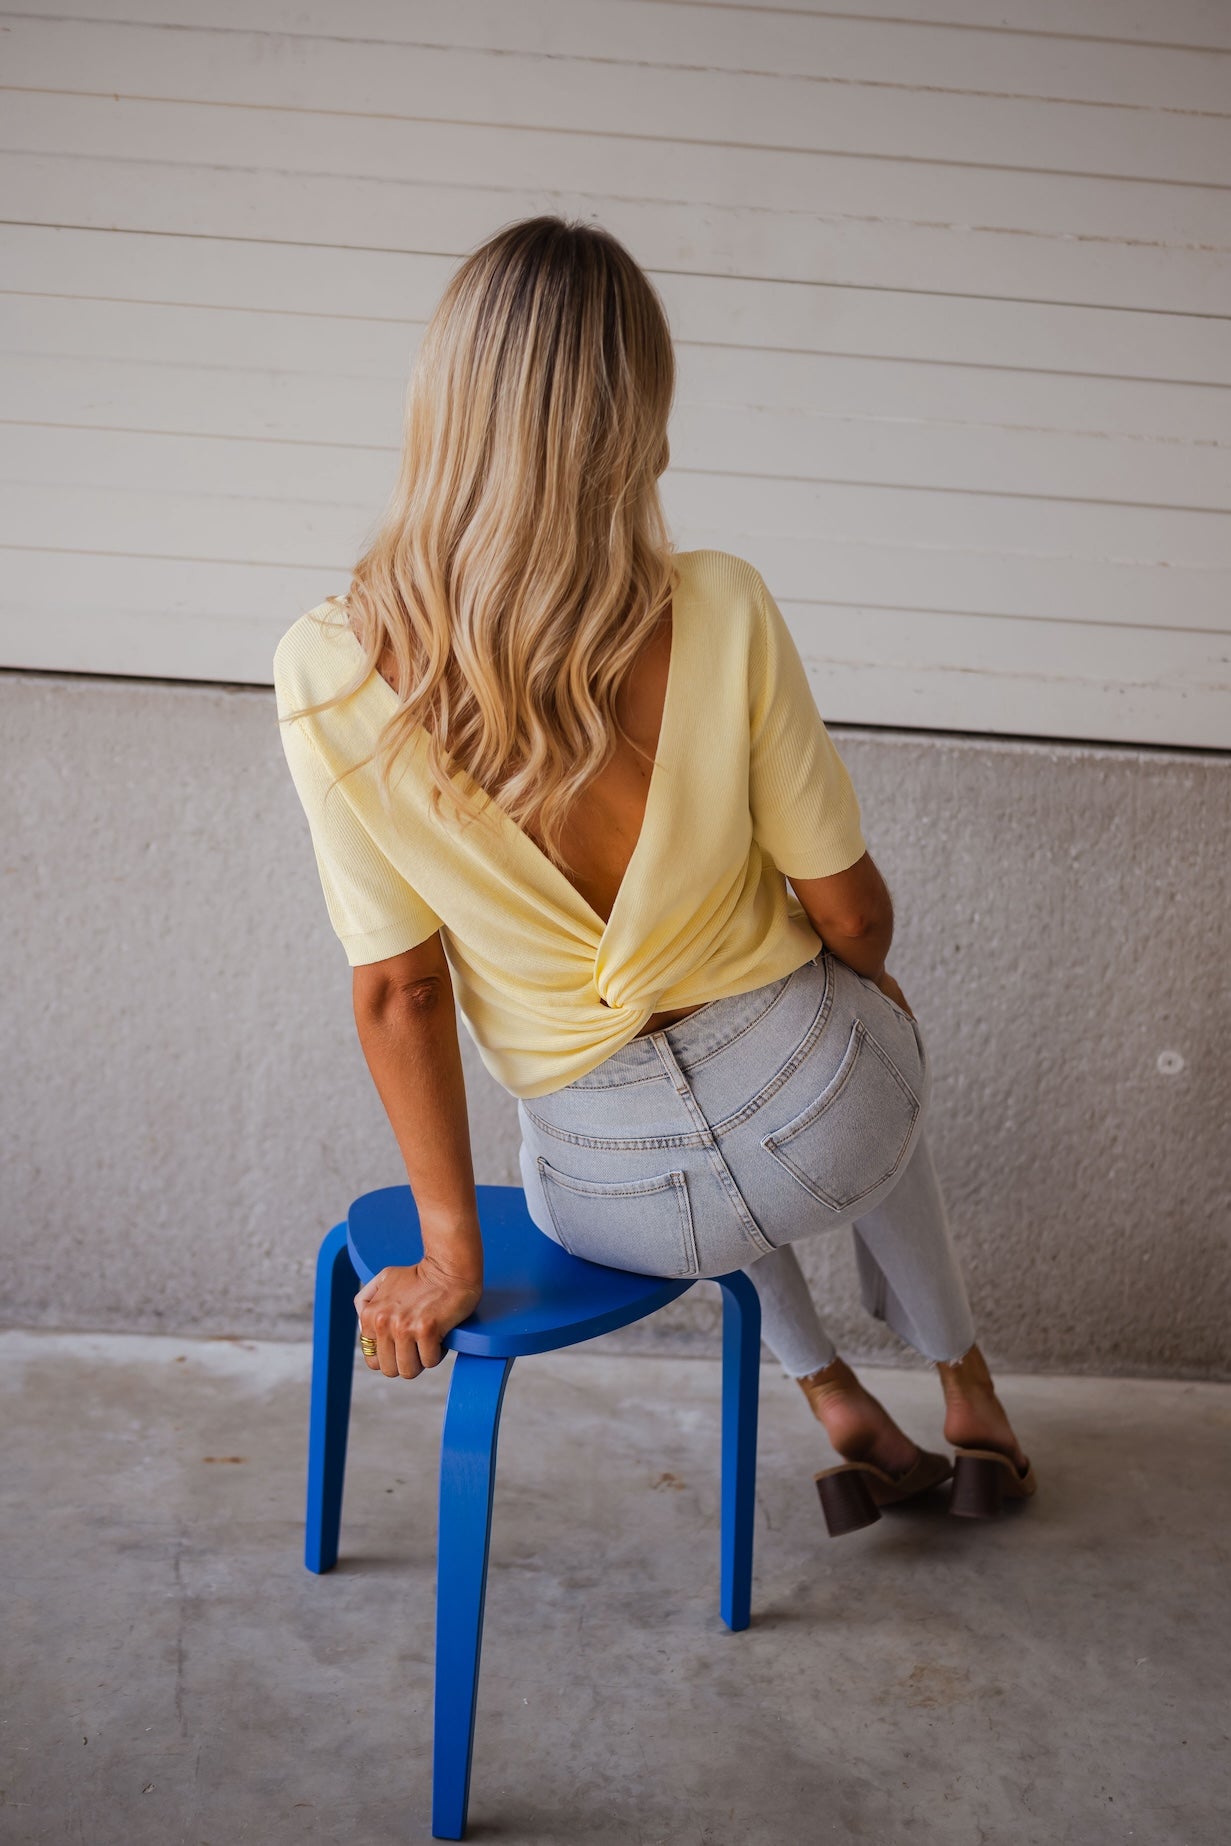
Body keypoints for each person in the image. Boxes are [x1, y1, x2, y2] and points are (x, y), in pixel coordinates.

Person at [272, 214, 1034, 1537]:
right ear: (635, 418)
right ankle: (969, 1390)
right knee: (861, 1034)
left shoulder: (327, 669)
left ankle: (833, 1392)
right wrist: (869, 1004)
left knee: (711, 1166)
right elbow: (852, 910)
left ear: (444, 406)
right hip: (828, 1111)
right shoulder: (723, 603)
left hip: (615, 1196)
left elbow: (399, 993)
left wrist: (453, 1252)